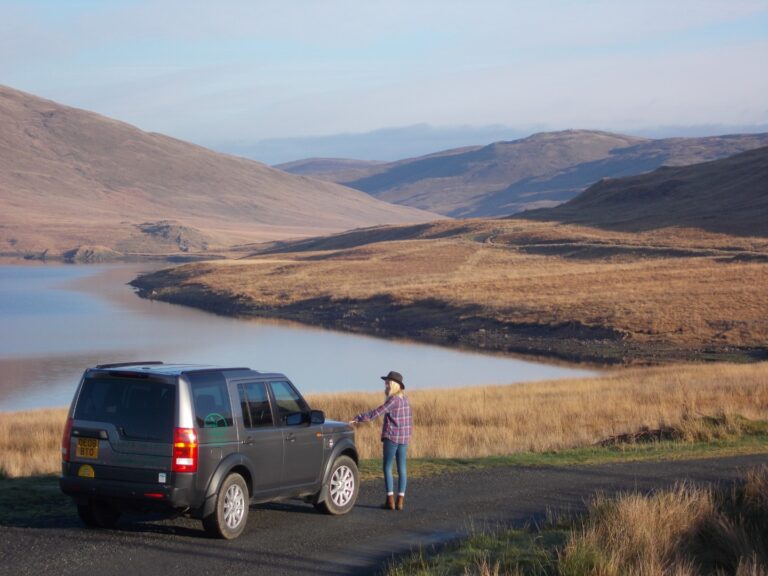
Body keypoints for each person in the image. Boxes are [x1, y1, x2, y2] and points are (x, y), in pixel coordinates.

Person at [350, 370, 412, 511]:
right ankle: (400, 501)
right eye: (386, 382)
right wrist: (407, 436)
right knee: (402, 468)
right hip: (404, 439)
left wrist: (358, 418)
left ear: (395, 385)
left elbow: (375, 413)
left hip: (392, 437)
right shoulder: (405, 400)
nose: (386, 384)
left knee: (387, 467)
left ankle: (390, 501)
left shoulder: (393, 400)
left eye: (388, 382)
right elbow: (409, 422)